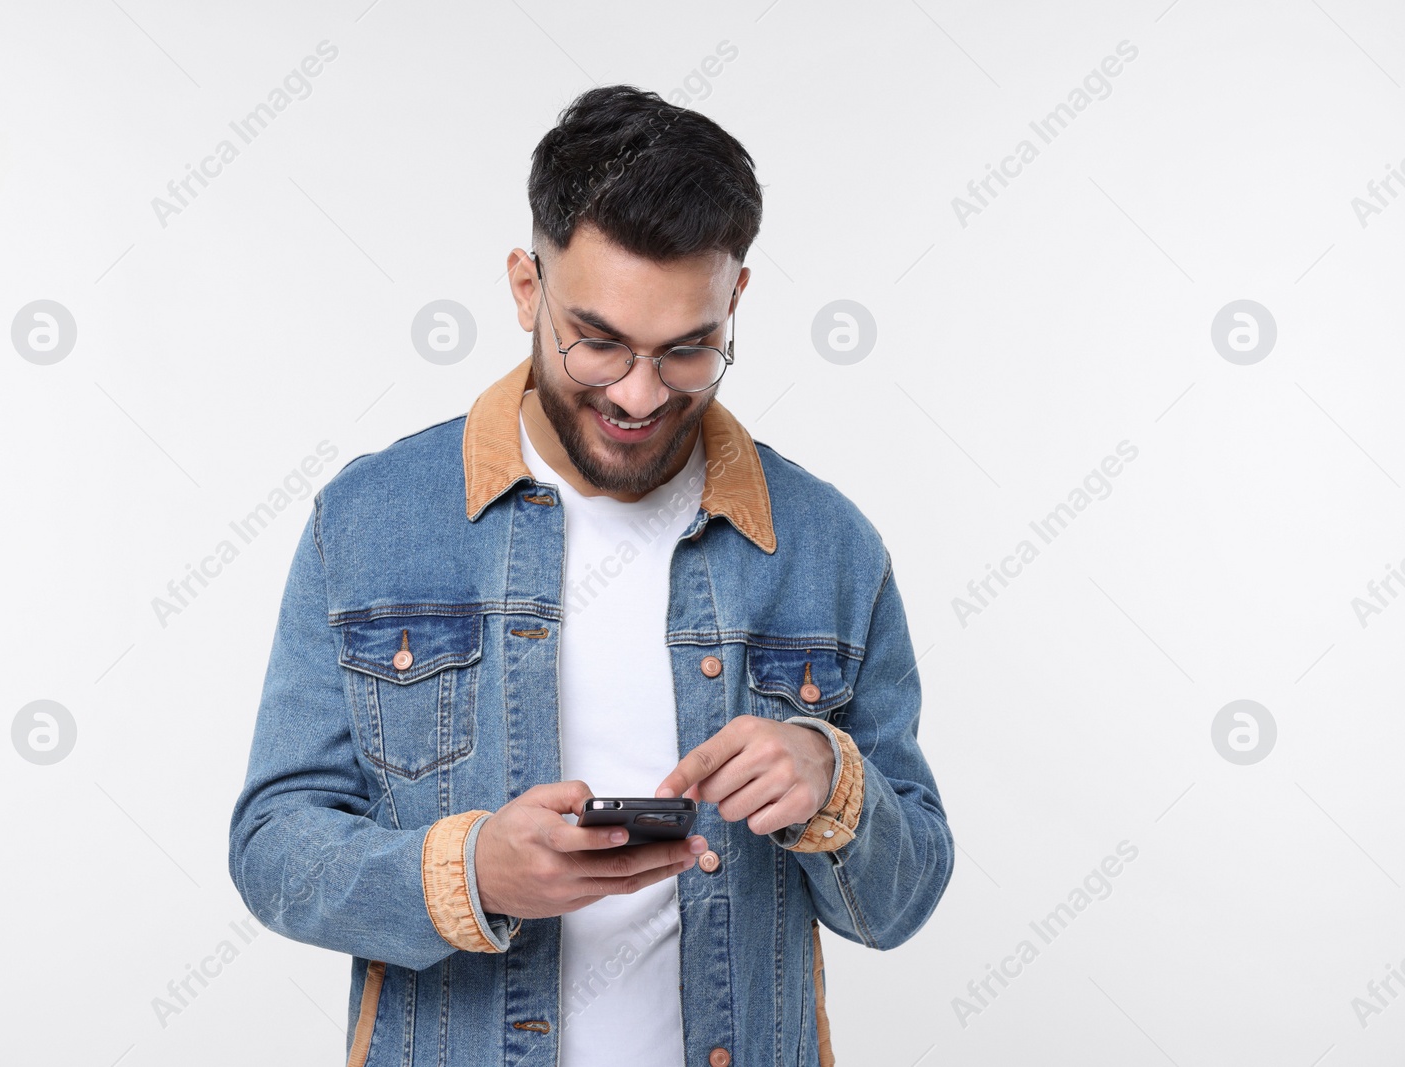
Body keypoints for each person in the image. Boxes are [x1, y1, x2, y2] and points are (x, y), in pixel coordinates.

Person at [228, 84, 954, 1067]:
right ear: (526, 287)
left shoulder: (827, 545)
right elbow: (273, 849)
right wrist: (471, 869)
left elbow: (898, 904)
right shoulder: (368, 522)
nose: (639, 393)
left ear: (735, 300)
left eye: (687, 349)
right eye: (599, 341)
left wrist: (833, 782)